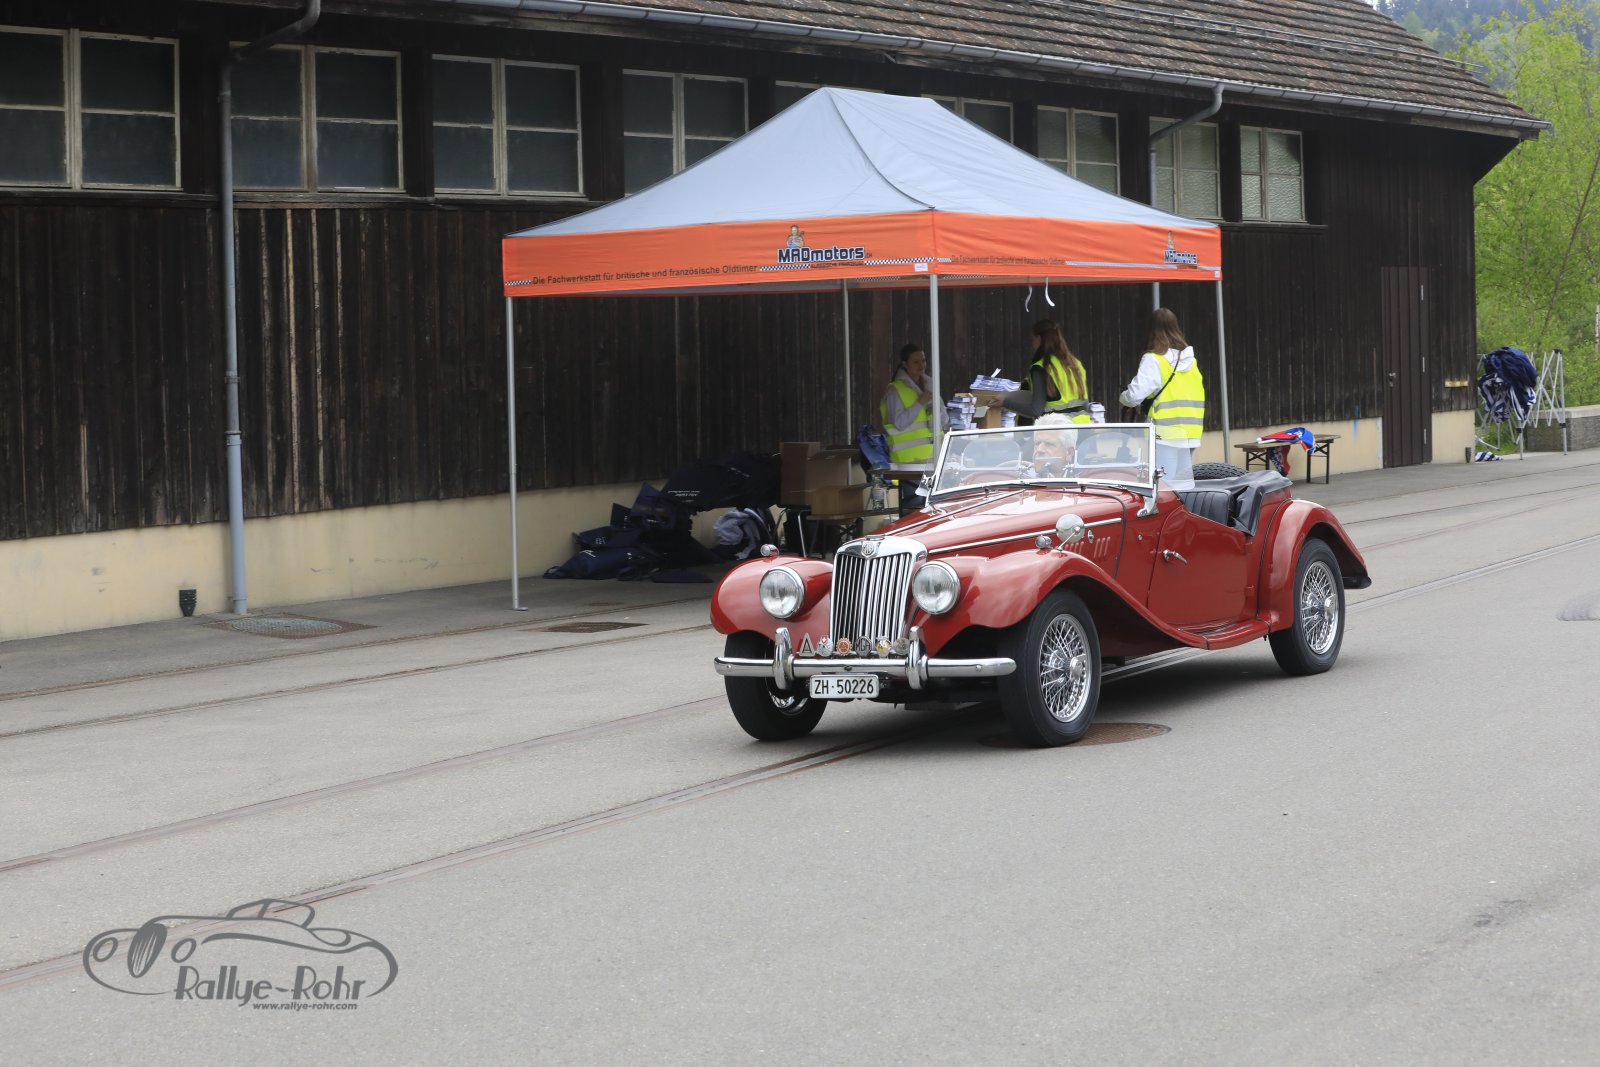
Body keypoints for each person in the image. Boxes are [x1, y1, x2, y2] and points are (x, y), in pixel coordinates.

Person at [1119, 307, 1205, 490]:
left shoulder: (1154, 360)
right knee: (1182, 489)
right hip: (1190, 433)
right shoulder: (1191, 361)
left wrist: (1123, 398)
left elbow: (1134, 396)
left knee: (1164, 489)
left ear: (1151, 330)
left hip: (1165, 435)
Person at [991, 319, 1092, 424]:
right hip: (1082, 427)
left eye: (1032, 339)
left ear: (1039, 338)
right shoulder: (1076, 364)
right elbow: (1085, 404)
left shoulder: (1041, 367)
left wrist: (1005, 402)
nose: (1032, 343)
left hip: (1057, 429)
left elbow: (1035, 410)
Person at [879, 342, 943, 465]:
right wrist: (919, 403)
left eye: (923, 360)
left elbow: (944, 418)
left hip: (935, 457)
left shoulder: (930, 384)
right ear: (905, 364)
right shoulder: (895, 391)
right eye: (916, 362)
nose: (921, 365)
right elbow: (899, 423)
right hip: (907, 462)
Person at [1029, 412, 1078, 477]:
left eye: (1049, 444)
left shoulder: (1083, 480)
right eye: (1037, 443)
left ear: (1069, 453)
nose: (1039, 449)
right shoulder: (1021, 479)